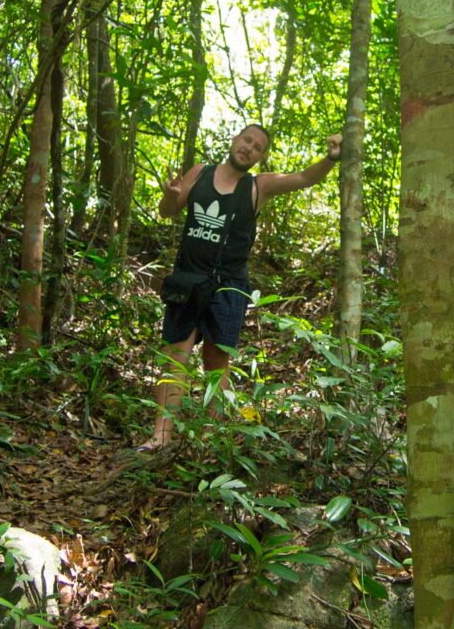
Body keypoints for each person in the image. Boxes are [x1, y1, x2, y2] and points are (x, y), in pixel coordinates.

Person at [139, 124, 342, 450]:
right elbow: (168, 212)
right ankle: (160, 436)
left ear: (261, 156)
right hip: (188, 278)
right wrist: (169, 195)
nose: (249, 147)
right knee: (175, 356)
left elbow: (305, 177)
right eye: (247, 140)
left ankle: (209, 437)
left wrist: (332, 158)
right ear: (235, 140)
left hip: (228, 286)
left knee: (216, 362)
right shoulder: (200, 173)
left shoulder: (258, 186)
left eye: (258, 147)